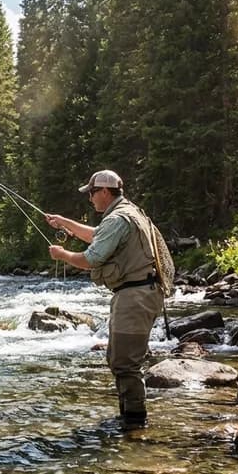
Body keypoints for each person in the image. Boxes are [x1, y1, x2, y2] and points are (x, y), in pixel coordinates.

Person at [44, 169, 172, 429]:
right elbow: (98, 236)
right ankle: (129, 420)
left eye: (91, 193)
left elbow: (91, 258)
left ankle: (135, 423)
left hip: (135, 295)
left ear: (104, 191)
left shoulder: (118, 219)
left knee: (125, 363)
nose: (90, 199)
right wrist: (65, 222)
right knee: (118, 358)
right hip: (136, 293)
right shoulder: (125, 213)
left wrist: (63, 255)